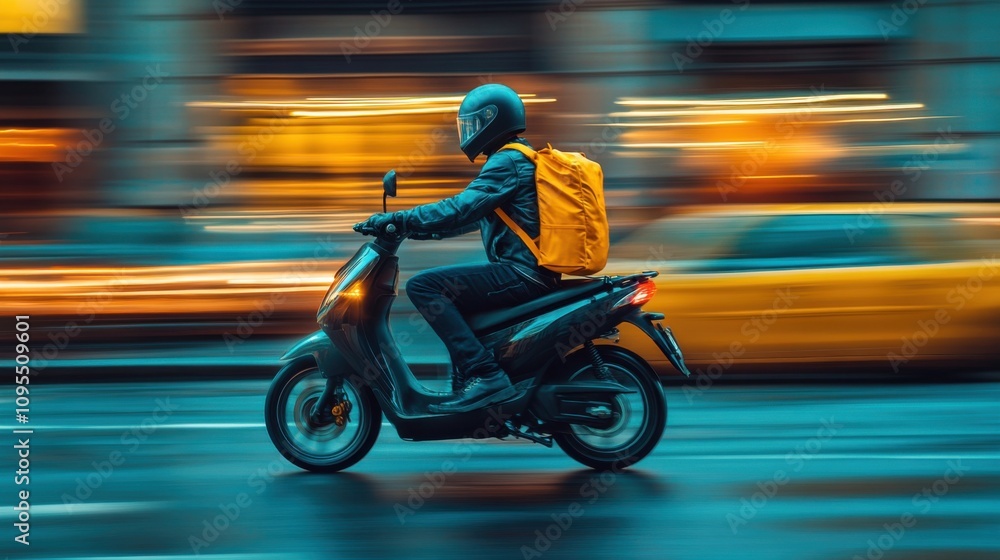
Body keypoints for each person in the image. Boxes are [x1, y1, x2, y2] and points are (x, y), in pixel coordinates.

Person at [356, 83, 559, 413]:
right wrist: (407, 231)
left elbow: (459, 208)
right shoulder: (517, 159)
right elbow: (466, 220)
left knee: (425, 286)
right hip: (528, 271)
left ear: (492, 120)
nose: (469, 132)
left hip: (521, 273)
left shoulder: (506, 162)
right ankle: (471, 383)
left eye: (473, 123)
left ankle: (485, 376)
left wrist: (402, 219)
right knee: (449, 294)